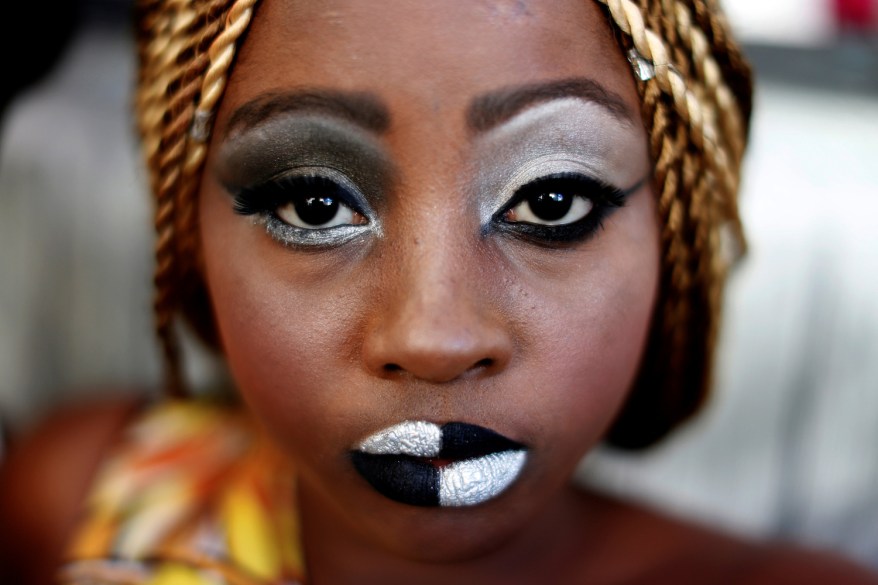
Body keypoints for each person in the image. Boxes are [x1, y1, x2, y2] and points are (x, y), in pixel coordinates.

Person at [1, 0, 876, 583]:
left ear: (673, 239)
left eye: (551, 200)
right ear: (188, 233)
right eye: (314, 203)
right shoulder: (81, 502)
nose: (434, 336)